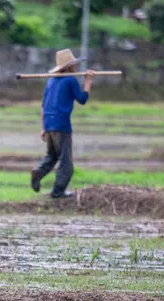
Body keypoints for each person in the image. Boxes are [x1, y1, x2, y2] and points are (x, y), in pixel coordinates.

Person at [31, 49, 95, 198]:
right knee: (66, 163)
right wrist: (88, 81)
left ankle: (39, 171)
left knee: (52, 155)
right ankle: (58, 192)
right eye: (74, 65)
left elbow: (43, 106)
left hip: (48, 123)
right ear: (70, 66)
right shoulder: (70, 80)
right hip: (61, 125)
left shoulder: (51, 80)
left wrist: (44, 128)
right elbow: (82, 99)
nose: (76, 67)